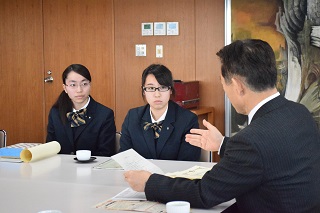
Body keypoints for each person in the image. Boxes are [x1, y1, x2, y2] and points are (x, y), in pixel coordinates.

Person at [123, 39, 320, 212]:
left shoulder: (251, 141)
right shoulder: (299, 113)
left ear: (238, 86)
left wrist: (149, 183)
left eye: (222, 83)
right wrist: (223, 144)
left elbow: (203, 193)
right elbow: (269, 156)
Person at [119, 64, 201, 161]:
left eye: (162, 87)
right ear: (144, 91)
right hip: (139, 175)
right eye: (151, 88)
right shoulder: (132, 117)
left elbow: (188, 163)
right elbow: (124, 157)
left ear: (170, 90)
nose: (157, 94)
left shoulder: (188, 120)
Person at [46, 64, 116, 157]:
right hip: (61, 168)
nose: (79, 90)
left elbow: (106, 154)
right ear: (65, 88)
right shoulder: (56, 112)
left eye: (84, 84)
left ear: (90, 85)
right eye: (73, 85)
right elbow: (50, 148)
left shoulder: (104, 115)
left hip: (92, 168)